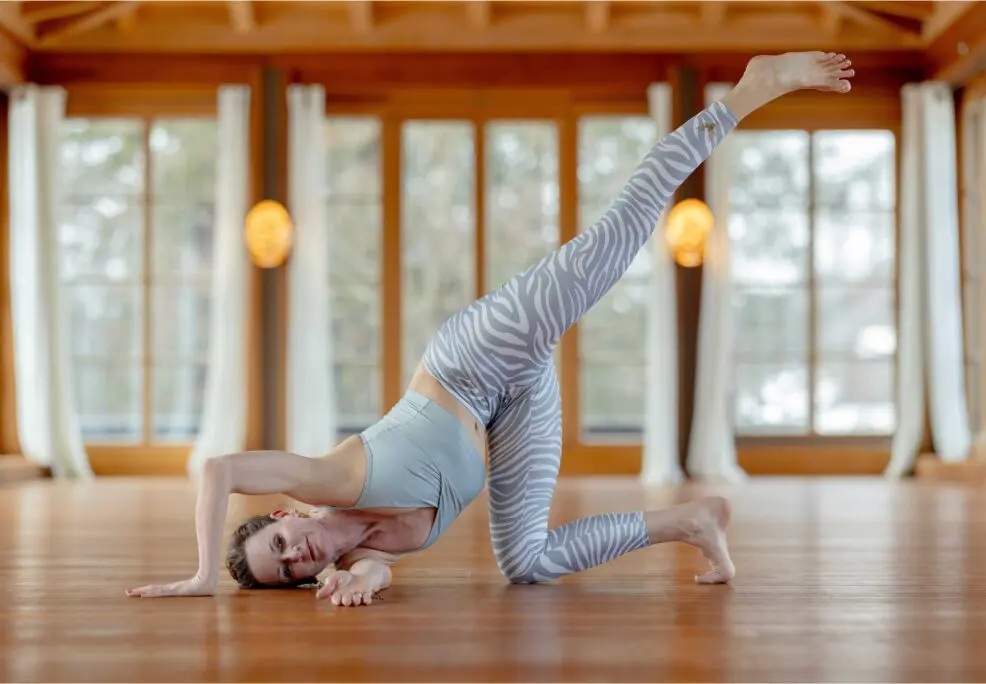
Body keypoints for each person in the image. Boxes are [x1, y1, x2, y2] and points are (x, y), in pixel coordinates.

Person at [127, 51, 854, 607]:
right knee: (526, 563)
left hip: (472, 357)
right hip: (509, 405)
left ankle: (748, 91)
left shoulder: (331, 481)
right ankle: (691, 521)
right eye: (288, 570)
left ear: (284, 513)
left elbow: (220, 468)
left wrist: (199, 575)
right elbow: (375, 575)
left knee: (623, 229)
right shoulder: (361, 557)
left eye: (280, 541)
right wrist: (357, 588)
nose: (297, 554)